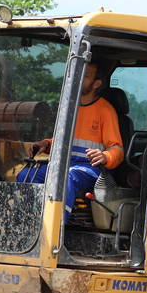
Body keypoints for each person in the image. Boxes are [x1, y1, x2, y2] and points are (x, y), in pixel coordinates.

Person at [29, 62, 124, 226]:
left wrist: (104, 156)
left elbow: (117, 149)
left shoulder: (105, 111)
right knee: (27, 175)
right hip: (64, 165)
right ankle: (28, 221)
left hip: (89, 168)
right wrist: (47, 143)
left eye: (85, 76)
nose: (79, 78)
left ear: (96, 84)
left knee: (66, 178)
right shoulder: (69, 108)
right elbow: (65, 141)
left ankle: (55, 227)